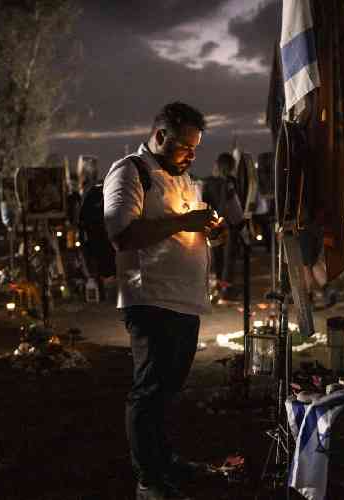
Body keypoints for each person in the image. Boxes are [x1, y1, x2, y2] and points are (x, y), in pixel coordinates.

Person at [104, 102, 220, 500]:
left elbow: (184, 227)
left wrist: (208, 230)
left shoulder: (184, 180)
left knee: (168, 390)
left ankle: (163, 459)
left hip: (185, 301)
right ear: (159, 137)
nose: (191, 155)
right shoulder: (129, 172)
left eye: (195, 148)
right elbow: (123, 235)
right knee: (149, 391)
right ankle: (148, 480)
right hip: (150, 298)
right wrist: (187, 223)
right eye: (185, 147)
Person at [202, 152, 243, 299]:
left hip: (213, 224)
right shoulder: (231, 183)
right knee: (228, 259)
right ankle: (226, 290)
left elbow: (204, 202)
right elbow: (233, 205)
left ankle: (216, 289)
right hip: (229, 225)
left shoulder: (208, 182)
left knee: (216, 258)